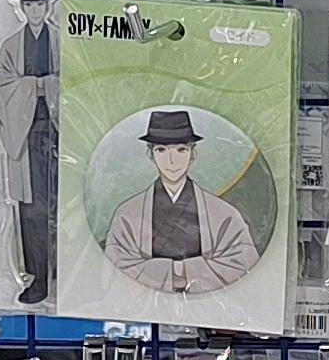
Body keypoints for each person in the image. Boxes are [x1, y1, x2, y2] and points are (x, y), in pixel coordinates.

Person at [105, 107, 262, 294]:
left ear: (193, 154)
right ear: (150, 155)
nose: (171, 161)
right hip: (143, 304)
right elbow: (115, 266)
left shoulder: (223, 213)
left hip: (212, 304)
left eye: (181, 150)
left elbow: (242, 262)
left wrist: (168, 272)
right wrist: (190, 272)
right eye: (161, 150)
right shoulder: (128, 213)